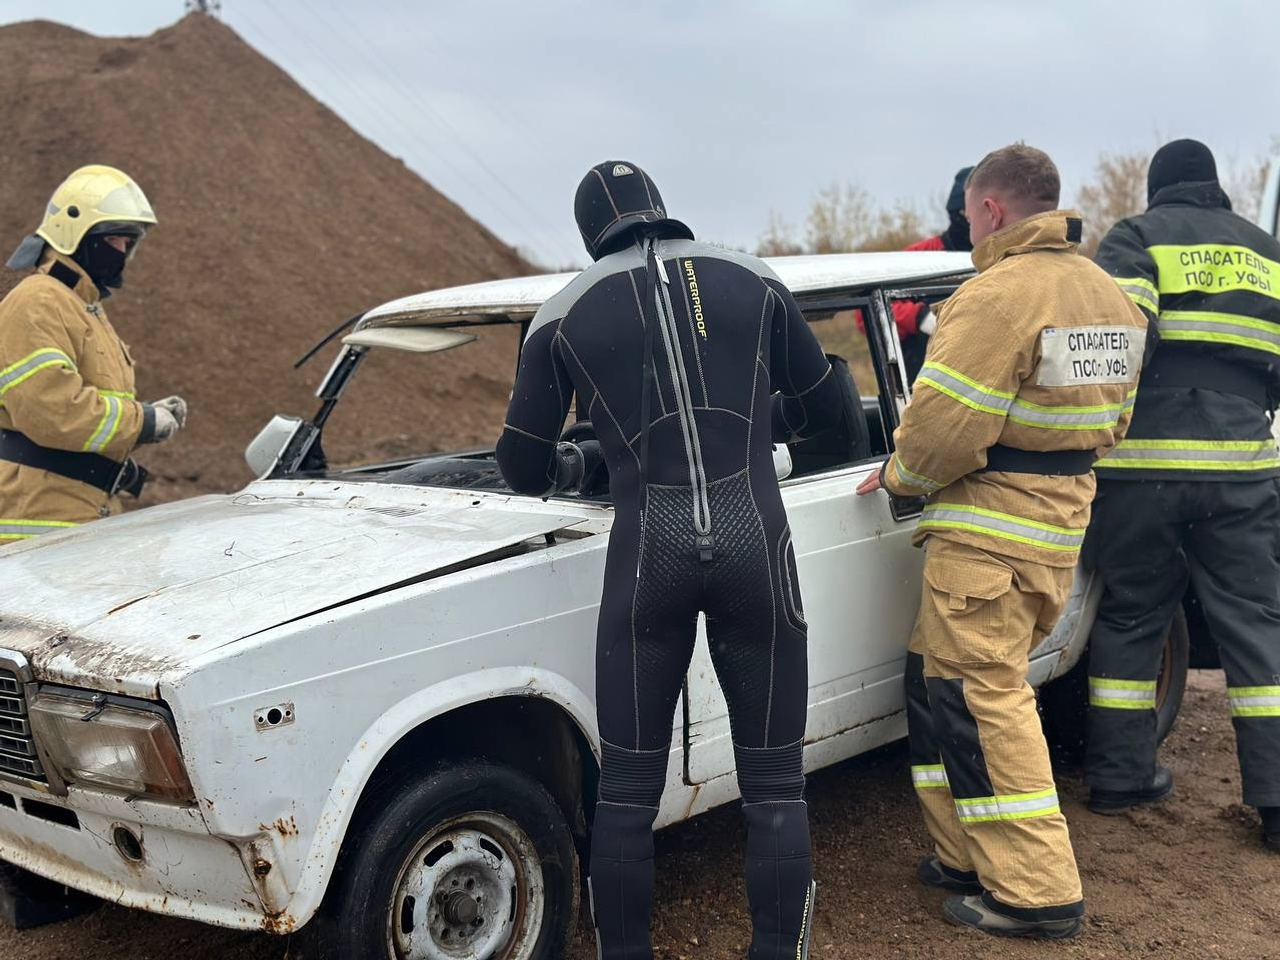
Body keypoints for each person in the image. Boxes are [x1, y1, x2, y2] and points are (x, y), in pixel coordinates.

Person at [496, 160, 842, 959]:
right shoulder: (752, 276)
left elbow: (519, 465)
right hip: (756, 542)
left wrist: (583, 459)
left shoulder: (562, 311)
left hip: (648, 553)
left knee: (625, 798)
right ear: (660, 206)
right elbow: (826, 412)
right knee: (775, 790)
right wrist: (760, 420)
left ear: (591, 231)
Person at [856, 145, 1149, 938]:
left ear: (989, 209)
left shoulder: (994, 296)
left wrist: (899, 478)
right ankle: (963, 853)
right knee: (936, 682)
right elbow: (1117, 420)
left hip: (988, 536)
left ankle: (1035, 891)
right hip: (1056, 524)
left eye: (970, 214)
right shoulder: (1110, 295)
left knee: (984, 700)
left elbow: (940, 434)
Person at [1086, 139, 1280, 852]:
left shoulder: (1136, 237)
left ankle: (1119, 778)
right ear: (1216, 186)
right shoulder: (1266, 251)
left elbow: (1120, 339)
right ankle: (1277, 803)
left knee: (1133, 615)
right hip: (1241, 467)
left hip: (1142, 470)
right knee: (1258, 629)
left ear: (1156, 188)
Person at [0, 165, 186, 544]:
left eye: (128, 243)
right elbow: (53, 413)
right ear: (76, 235)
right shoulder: (38, 301)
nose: (122, 252)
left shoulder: (84, 309)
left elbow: (93, 415)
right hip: (38, 527)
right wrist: (144, 421)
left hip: (79, 517)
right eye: (114, 239)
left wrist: (146, 417)